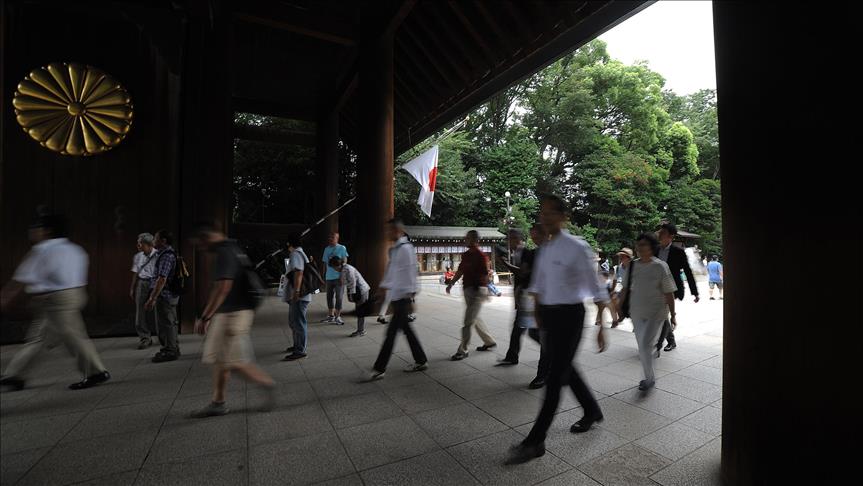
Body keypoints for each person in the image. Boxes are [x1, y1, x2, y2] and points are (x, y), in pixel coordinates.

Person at [506, 195, 607, 465]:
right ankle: (592, 410)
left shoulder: (577, 246)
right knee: (565, 369)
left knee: (554, 377)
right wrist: (538, 318)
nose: (545, 217)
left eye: (551, 213)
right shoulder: (545, 250)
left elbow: (595, 285)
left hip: (571, 317)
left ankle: (535, 441)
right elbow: (538, 286)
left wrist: (602, 325)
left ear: (564, 216)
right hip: (549, 318)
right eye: (543, 213)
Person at [0, 214, 111, 391]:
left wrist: (5, 299)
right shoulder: (76, 249)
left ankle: (95, 372)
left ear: (46, 231)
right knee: (39, 338)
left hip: (55, 300)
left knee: (73, 336)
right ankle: (14, 374)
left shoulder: (43, 249)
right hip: (75, 294)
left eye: (36, 228)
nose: (32, 232)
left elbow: (21, 280)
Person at [189, 221, 276, 418]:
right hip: (231, 312)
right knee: (221, 359)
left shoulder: (224, 252)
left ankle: (266, 383)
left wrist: (205, 316)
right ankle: (218, 401)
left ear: (207, 238)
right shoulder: (233, 248)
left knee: (234, 361)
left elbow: (223, 288)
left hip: (234, 314)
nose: (202, 250)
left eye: (200, 245)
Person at [369, 219, 428, 380]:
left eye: (391, 230)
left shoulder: (405, 248)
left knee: (391, 333)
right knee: (407, 331)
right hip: (397, 296)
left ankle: (379, 368)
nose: (388, 233)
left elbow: (411, 272)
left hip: (403, 297)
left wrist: (411, 296)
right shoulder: (395, 249)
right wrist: (383, 289)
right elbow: (392, 271)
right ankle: (421, 360)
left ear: (399, 231)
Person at [618, 233, 678, 392]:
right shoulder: (632, 266)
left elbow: (669, 292)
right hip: (637, 311)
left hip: (656, 313)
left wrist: (673, 315)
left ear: (652, 247)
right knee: (643, 346)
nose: (639, 248)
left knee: (645, 345)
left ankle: (649, 379)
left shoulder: (660, 266)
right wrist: (619, 307)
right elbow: (624, 288)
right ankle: (649, 376)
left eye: (643, 244)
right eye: (638, 245)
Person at [497, 225, 551, 389]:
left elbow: (523, 273)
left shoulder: (549, 252)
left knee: (538, 333)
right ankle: (545, 369)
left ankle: (544, 373)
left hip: (550, 300)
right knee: (535, 332)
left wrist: (505, 263)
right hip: (536, 298)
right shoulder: (535, 253)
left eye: (537, 235)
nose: (535, 239)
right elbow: (531, 277)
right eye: (533, 236)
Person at [446, 230, 497, 360]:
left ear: (475, 240)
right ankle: (489, 341)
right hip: (468, 289)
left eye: (467, 238)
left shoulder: (481, 256)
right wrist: (451, 283)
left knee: (468, 321)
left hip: (478, 291)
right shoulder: (466, 255)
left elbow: (486, 275)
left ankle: (463, 350)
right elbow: (460, 271)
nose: (465, 240)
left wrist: (488, 291)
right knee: (474, 318)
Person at [655, 222, 699, 354]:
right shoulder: (655, 249)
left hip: (671, 289)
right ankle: (671, 340)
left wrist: (694, 292)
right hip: (656, 288)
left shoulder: (678, 252)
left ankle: (657, 345)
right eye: (660, 232)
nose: (659, 234)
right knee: (661, 315)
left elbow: (688, 271)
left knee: (662, 314)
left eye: (663, 233)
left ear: (671, 236)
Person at [146, 229, 181, 362]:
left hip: (165, 295)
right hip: (169, 294)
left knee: (166, 323)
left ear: (163, 241)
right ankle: (173, 347)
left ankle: (169, 350)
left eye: (155, 238)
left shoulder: (166, 255)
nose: (153, 241)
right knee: (171, 322)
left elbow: (162, 279)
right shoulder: (168, 253)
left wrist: (152, 298)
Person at [283, 234, 312, 361]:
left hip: (299, 296)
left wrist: (296, 291)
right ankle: (297, 345)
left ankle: (300, 350)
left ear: (289, 244)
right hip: (301, 295)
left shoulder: (295, 254)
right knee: (294, 321)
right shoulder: (301, 253)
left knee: (298, 322)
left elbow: (299, 272)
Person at [329, 256, 372, 337]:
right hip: (360, 290)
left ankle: (361, 330)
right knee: (360, 310)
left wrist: (351, 295)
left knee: (360, 311)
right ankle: (360, 330)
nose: (334, 269)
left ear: (337, 265)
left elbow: (352, 283)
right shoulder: (344, 269)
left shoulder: (347, 269)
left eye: (333, 267)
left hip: (361, 290)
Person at [130, 232, 158, 349]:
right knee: (140, 312)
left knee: (159, 311)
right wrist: (132, 288)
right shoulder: (138, 256)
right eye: (138, 243)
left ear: (149, 244)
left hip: (156, 283)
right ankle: (145, 338)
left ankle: (164, 337)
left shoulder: (158, 254)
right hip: (142, 283)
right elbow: (135, 273)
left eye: (140, 243)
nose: (138, 246)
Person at [321, 232, 348, 325]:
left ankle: (338, 316)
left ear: (337, 238)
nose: (331, 239)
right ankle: (330, 315)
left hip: (339, 277)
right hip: (329, 277)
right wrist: (323, 275)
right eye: (330, 237)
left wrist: (342, 275)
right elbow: (324, 263)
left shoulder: (342, 248)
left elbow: (345, 261)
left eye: (333, 237)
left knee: (339, 297)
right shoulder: (326, 249)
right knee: (329, 297)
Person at [611, 248, 634, 327]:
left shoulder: (635, 267)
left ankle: (635, 324)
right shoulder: (618, 268)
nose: (620, 258)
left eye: (623, 256)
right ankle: (621, 315)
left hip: (634, 290)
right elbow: (615, 279)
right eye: (620, 256)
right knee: (614, 299)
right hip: (624, 289)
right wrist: (612, 290)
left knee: (632, 307)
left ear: (629, 258)